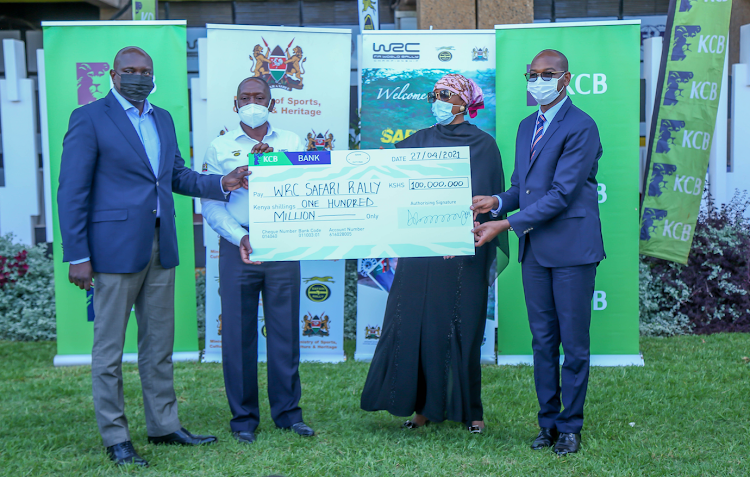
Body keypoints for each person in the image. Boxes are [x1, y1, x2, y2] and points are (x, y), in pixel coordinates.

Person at [58, 46, 251, 468]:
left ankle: (164, 426)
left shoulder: (162, 117)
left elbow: (176, 175)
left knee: (158, 344)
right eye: (129, 70)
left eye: (144, 71)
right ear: (112, 74)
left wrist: (225, 181)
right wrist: (77, 255)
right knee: (108, 351)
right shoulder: (89, 118)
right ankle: (116, 437)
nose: (138, 76)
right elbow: (71, 191)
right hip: (111, 251)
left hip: (163, 245)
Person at [471, 50, 605, 455]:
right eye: (532, 74)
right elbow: (522, 189)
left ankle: (570, 426)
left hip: (572, 250)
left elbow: (562, 194)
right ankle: (547, 423)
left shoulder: (582, 126)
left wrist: (505, 224)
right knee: (542, 342)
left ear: (566, 79)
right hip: (536, 250)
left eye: (547, 74)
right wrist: (494, 202)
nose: (538, 80)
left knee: (574, 344)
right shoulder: (527, 125)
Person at [360, 74, 508, 433]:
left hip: (461, 256)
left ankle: (472, 412)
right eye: (434, 94)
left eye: (444, 94)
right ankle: (420, 410)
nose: (436, 100)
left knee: (463, 329)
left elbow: (490, 204)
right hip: (419, 253)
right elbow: (387, 179)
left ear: (462, 102)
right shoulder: (419, 140)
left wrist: (461, 231)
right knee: (413, 326)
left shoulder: (484, 144)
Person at [200, 77, 314, 445]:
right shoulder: (219, 147)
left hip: (282, 243)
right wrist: (241, 237)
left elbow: (307, 190)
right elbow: (210, 205)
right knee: (237, 334)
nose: (253, 102)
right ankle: (244, 418)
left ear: (273, 104)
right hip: (238, 244)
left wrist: (273, 165)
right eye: (245, 98)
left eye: (260, 97)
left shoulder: (293, 143)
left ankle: (288, 414)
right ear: (235, 105)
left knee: (284, 332)